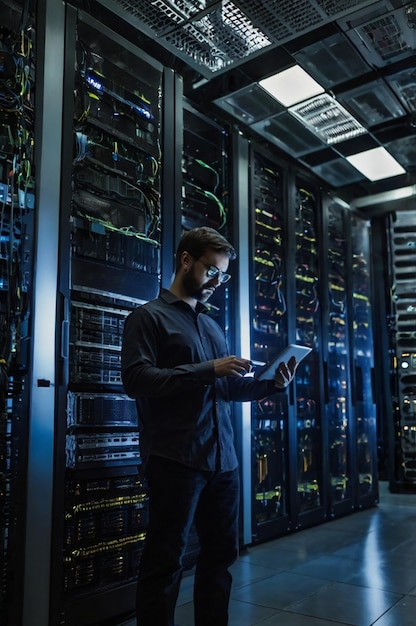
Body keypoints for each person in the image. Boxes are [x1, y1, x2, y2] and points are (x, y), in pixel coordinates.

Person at [121, 226, 297, 626]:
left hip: (223, 462)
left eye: (224, 276)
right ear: (186, 260)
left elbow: (226, 389)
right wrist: (207, 368)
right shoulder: (148, 318)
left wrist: (271, 384)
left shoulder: (212, 326)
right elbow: (137, 380)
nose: (218, 282)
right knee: (165, 562)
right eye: (213, 271)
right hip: (175, 459)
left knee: (220, 559)